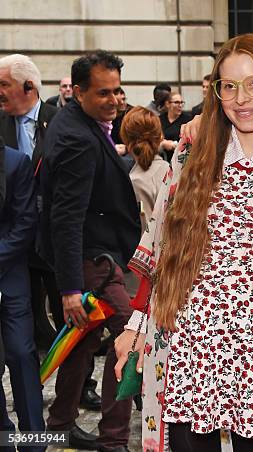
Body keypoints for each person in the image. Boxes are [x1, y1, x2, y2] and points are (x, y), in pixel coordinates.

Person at [114, 34, 253, 452]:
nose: (241, 98)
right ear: (216, 92)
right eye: (228, 86)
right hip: (190, 346)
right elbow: (160, 245)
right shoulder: (193, 151)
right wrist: (135, 325)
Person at [40, 50, 141, 452]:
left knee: (82, 341)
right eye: (103, 93)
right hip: (91, 261)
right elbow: (65, 217)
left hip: (93, 256)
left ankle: (59, 425)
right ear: (78, 91)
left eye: (117, 91)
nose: (114, 101)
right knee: (129, 339)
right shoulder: (77, 138)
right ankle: (113, 439)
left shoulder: (77, 122)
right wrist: (68, 290)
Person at [0, 54, 104, 412]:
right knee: (23, 328)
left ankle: (79, 390)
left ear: (28, 87)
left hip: (53, 241)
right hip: (15, 251)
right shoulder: (1, 124)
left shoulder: (59, 122)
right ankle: (31, 390)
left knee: (71, 321)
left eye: (4, 85)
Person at [0, 135, 45, 451]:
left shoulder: (16, 161)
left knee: (21, 354)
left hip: (9, 273)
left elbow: (26, 222)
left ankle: (34, 441)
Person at [119, 106, 170, 228]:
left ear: (125, 138)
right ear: (160, 136)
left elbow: (145, 234)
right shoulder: (170, 169)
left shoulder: (135, 181)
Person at [159, 91, 192, 161]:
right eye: (177, 102)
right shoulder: (159, 120)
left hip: (180, 159)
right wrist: (163, 144)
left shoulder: (188, 120)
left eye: (182, 102)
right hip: (162, 158)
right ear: (167, 104)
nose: (180, 105)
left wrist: (174, 145)